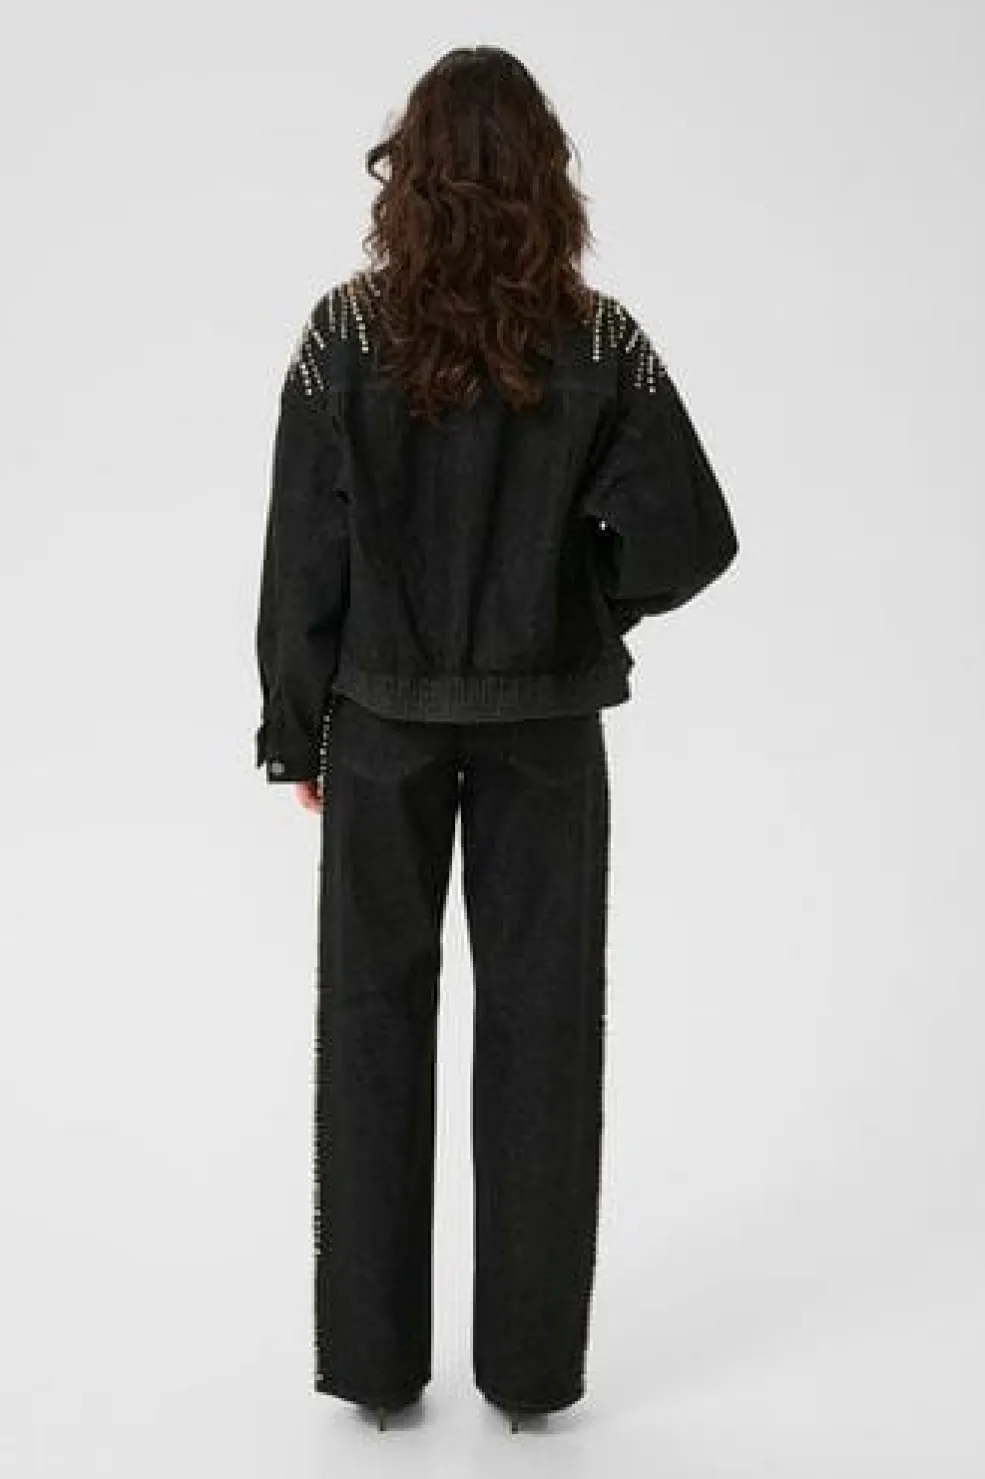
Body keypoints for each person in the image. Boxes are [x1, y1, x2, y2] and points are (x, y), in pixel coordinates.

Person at [252, 45, 739, 1433]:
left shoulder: (343, 335)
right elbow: (690, 536)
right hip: (547, 732)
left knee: (371, 1023)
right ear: (543, 175)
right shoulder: (599, 340)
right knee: (543, 1028)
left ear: (407, 173)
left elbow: (302, 560)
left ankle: (373, 1371)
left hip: (382, 728)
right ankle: (529, 1379)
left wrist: (296, 733)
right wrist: (581, 602)